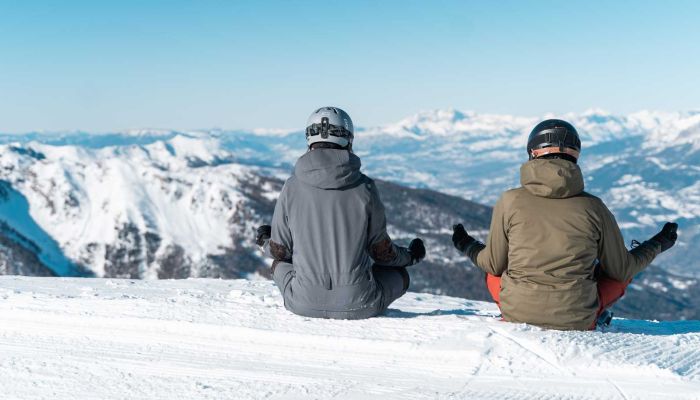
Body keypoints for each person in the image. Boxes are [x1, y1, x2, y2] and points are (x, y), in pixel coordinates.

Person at [451, 119, 678, 330]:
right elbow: (621, 270)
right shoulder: (593, 206)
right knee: (618, 272)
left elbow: (492, 265)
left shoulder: (509, 201)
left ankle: (524, 308)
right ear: (576, 155)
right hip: (578, 317)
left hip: (517, 312)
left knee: (495, 274)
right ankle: (594, 313)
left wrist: (466, 244)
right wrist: (658, 243)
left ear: (533, 153)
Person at [256, 106, 426, 319]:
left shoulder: (291, 187)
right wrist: (411, 256)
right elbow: (381, 254)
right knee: (399, 275)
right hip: (360, 304)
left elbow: (281, 251)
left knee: (279, 265)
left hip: (301, 302)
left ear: (309, 139)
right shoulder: (365, 188)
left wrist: (264, 241)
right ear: (348, 139)